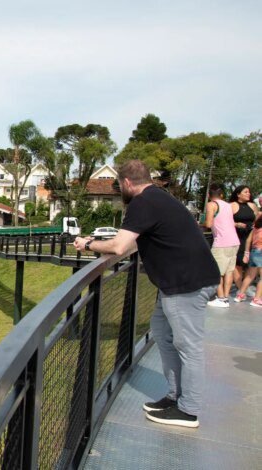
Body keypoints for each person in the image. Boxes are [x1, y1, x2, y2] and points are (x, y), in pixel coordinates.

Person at [74, 160, 218, 428]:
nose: (120, 190)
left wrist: (88, 243)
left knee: (189, 347)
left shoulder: (142, 202)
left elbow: (119, 246)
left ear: (127, 182)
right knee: (162, 333)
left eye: (119, 186)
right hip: (178, 282)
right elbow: (130, 240)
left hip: (186, 283)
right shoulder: (157, 198)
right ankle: (175, 397)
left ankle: (188, 410)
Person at [204, 184, 240, 307]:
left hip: (222, 243)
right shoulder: (228, 206)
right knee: (229, 271)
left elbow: (208, 224)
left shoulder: (211, 205)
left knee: (216, 272)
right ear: (222, 195)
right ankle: (225, 296)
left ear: (209, 195)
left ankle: (221, 298)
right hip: (234, 242)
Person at [229, 185, 259, 292]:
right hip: (237, 237)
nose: (248, 194)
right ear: (238, 194)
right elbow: (226, 221)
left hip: (251, 238)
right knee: (238, 263)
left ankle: (244, 288)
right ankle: (241, 289)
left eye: (249, 192)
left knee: (251, 264)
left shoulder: (252, 205)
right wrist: (236, 224)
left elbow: (257, 222)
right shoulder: (232, 205)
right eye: (245, 192)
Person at [236, 215, 262, 306]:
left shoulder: (256, 226)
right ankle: (256, 299)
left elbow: (248, 240)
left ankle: (240, 295)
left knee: (250, 276)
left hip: (254, 251)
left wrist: (246, 254)